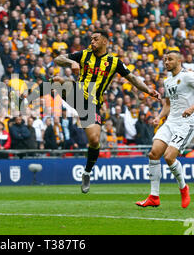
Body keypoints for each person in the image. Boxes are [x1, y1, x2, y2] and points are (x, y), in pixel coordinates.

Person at [53, 29, 161, 194]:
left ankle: (87, 172)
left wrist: (149, 91)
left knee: (95, 140)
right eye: (91, 39)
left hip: (92, 104)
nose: (92, 42)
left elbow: (132, 78)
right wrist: (71, 62)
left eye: (95, 39)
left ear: (105, 41)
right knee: (60, 82)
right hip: (77, 95)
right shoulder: (83, 54)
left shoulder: (114, 61)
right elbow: (58, 58)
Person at [136, 50, 194, 208]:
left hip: (186, 123)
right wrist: (159, 117)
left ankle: (184, 188)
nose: (166, 62)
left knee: (169, 156)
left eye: (170, 59)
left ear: (179, 61)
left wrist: (192, 108)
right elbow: (168, 105)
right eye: (165, 60)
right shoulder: (167, 81)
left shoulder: (188, 75)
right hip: (171, 121)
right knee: (154, 153)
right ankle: (154, 196)